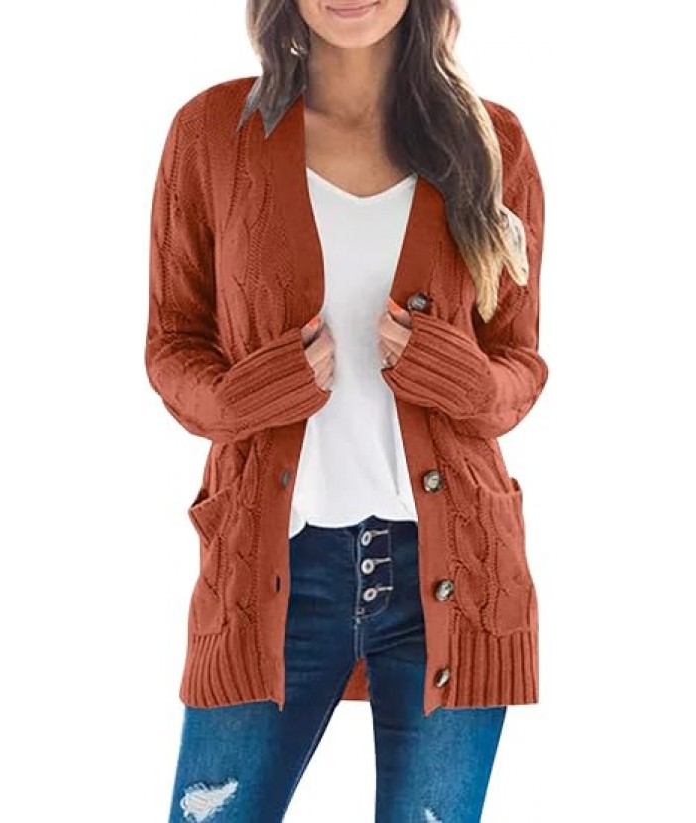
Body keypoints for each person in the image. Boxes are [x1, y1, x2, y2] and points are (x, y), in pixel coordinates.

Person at [146, 1, 549, 821]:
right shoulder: (211, 133)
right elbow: (171, 345)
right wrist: (249, 393)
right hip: (272, 574)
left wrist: (461, 378)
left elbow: (520, 363)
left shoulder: (493, 143)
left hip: (451, 578)